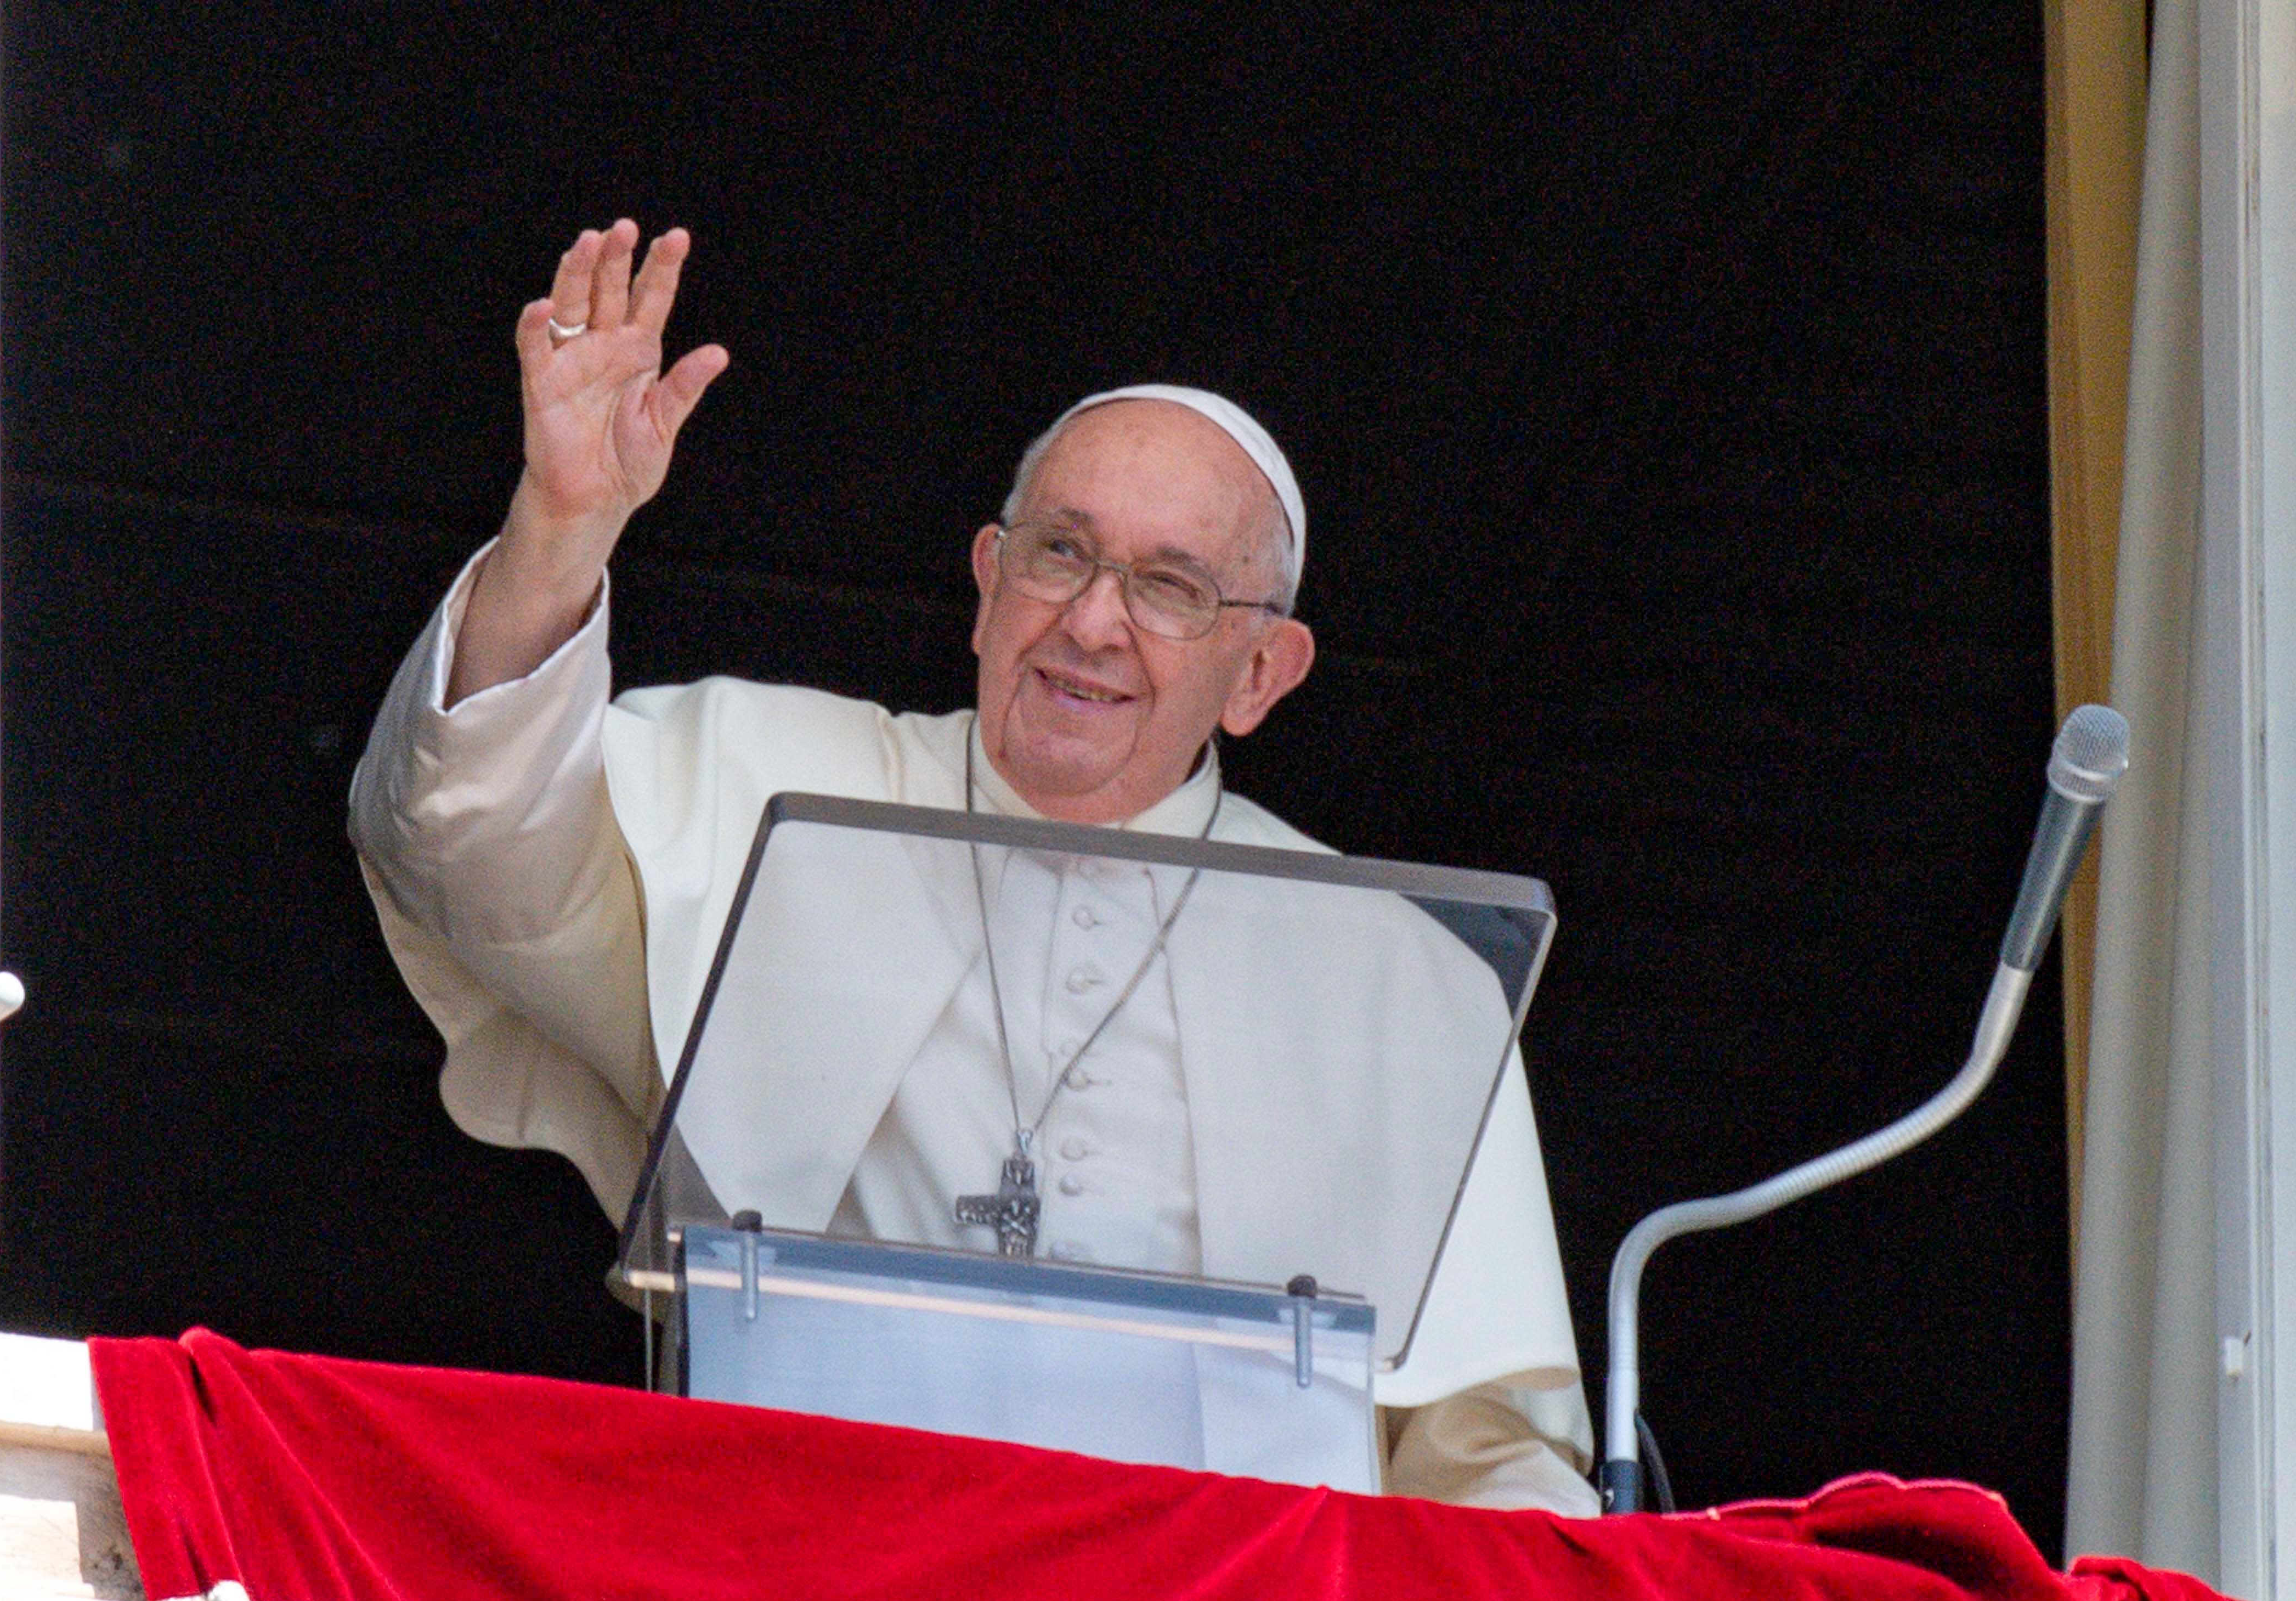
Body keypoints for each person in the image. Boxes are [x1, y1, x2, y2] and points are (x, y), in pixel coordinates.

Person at [350, 221, 1592, 1512]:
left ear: (1262, 675)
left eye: (1170, 587)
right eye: (1061, 551)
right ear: (990, 579)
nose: (1094, 622)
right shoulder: (777, 783)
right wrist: (558, 528)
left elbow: (1491, 1458)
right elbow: (467, 850)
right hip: (818, 1572)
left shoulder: (1396, 973)